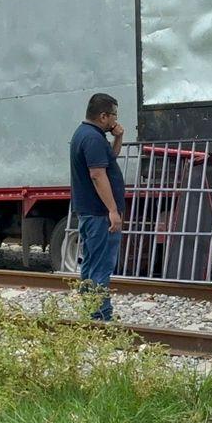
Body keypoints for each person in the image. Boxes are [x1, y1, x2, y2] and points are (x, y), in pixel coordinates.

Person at [69, 93, 126, 321]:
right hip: (99, 213)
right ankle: (100, 316)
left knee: (91, 264)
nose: (115, 120)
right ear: (103, 116)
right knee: (101, 265)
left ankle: (89, 311)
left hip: (91, 212)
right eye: (114, 115)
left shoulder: (87, 135)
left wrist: (118, 138)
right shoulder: (92, 138)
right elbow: (97, 174)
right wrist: (112, 210)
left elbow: (108, 159)